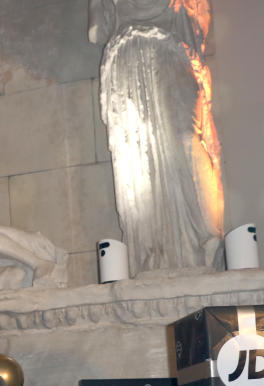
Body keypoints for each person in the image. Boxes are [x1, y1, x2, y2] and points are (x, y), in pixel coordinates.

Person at [88, 0, 224, 275]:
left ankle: (206, 237)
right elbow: (96, 32)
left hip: (171, 53)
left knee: (186, 140)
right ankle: (151, 249)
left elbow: (200, 25)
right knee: (137, 163)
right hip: (126, 60)